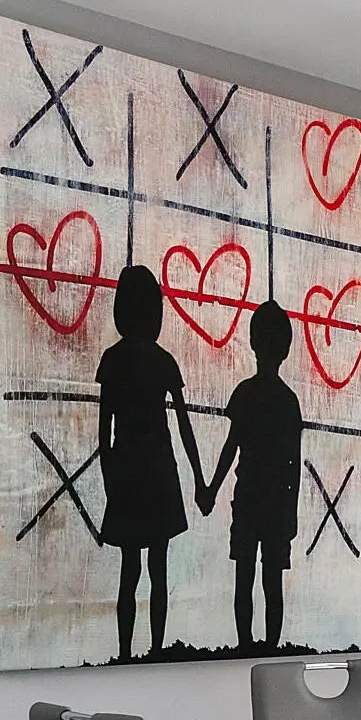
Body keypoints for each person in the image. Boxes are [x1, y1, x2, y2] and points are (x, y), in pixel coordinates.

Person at [95, 265, 205, 660]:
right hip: (159, 471)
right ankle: (156, 650)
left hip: (128, 472)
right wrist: (200, 481)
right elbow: (184, 427)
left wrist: (110, 479)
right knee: (158, 567)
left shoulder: (113, 359)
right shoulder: (163, 361)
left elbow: (104, 432)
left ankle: (127, 652)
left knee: (131, 569)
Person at [199, 300, 305, 651]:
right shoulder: (288, 401)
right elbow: (294, 464)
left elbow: (231, 448)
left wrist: (211, 489)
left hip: (248, 500)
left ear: (253, 342)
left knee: (245, 578)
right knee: (270, 581)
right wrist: (291, 512)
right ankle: (269, 648)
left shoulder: (246, 393)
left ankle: (245, 645)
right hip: (272, 503)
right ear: (285, 349)